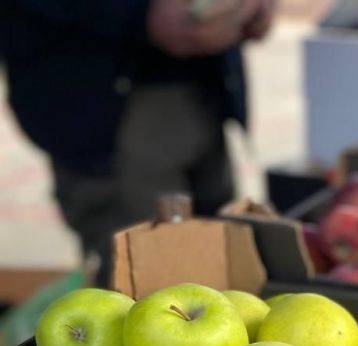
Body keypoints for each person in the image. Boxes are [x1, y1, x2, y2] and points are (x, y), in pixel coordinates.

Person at [0, 0, 276, 286]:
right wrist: (135, 10)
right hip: (104, 104)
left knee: (224, 273)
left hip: (205, 86)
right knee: (143, 286)